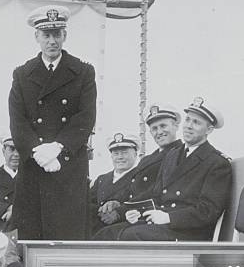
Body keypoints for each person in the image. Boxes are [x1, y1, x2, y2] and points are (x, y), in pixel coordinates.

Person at [9, 5, 97, 240]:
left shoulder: (83, 72)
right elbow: (17, 121)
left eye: (57, 34)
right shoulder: (22, 74)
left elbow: (85, 117)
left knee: (67, 236)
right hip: (34, 167)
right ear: (36, 37)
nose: (52, 41)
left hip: (68, 167)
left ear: (65, 36)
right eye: (46, 35)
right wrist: (38, 151)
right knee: (31, 237)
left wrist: (57, 147)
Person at [116, 97, 232, 241]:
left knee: (131, 235)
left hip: (189, 231)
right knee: (120, 231)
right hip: (167, 224)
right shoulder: (172, 155)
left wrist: (168, 217)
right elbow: (157, 194)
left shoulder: (216, 163)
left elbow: (207, 211)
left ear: (209, 129)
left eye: (196, 122)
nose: (189, 126)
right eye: (188, 120)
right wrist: (137, 212)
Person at [93, 103, 182, 240]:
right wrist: (116, 201)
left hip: (150, 214)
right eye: (154, 128)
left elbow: (155, 191)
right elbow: (132, 187)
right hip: (133, 211)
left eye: (163, 126)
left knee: (106, 234)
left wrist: (120, 211)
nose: (159, 132)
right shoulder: (148, 159)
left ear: (175, 126)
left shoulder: (178, 154)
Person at [89, 133, 139, 237]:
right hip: (95, 227)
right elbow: (89, 202)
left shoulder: (140, 176)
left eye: (124, 153)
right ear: (111, 156)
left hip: (121, 230)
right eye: (116, 153)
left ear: (135, 154)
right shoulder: (102, 179)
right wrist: (100, 210)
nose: (120, 157)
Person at [0, 135, 19, 231]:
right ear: (3, 151)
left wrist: (15, 210)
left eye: (19, 149)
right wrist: (6, 208)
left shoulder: (31, 177)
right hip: (0, 230)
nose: (16, 154)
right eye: (12, 149)